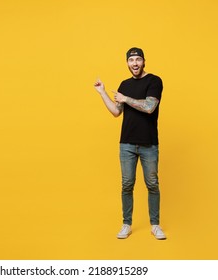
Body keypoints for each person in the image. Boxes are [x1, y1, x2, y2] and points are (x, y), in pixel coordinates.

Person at [93, 47, 166, 240]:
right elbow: (117, 112)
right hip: (126, 144)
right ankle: (126, 224)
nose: (135, 63)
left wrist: (125, 98)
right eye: (131, 60)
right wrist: (102, 93)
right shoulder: (124, 84)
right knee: (127, 184)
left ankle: (155, 225)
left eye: (138, 59)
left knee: (152, 184)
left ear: (144, 62)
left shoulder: (154, 81)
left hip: (149, 143)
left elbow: (150, 107)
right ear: (127, 63)